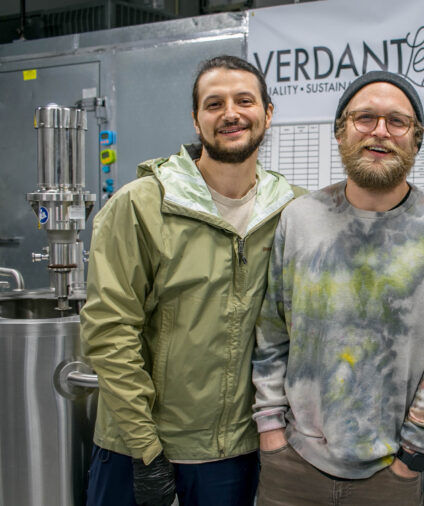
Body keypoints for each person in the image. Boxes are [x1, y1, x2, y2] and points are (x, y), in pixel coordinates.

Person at [80, 55, 305, 506]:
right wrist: (146, 453)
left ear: (268, 112)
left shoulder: (293, 211)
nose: (231, 114)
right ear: (196, 119)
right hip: (142, 450)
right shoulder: (141, 206)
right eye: (214, 103)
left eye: (244, 100)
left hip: (238, 453)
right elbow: (110, 332)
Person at [251, 71, 424, 506]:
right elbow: (271, 334)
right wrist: (272, 433)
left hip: (391, 472)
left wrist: (413, 454)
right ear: (340, 131)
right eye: (364, 118)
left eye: (397, 122)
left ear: (417, 138)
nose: (380, 132)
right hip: (293, 465)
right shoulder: (298, 219)